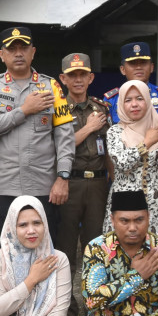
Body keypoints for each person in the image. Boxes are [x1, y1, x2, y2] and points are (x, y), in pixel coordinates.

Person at [0, 26, 73, 259]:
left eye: (23, 48)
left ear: (33, 52)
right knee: (4, 252)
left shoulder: (51, 87)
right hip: (2, 186)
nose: (18, 53)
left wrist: (63, 177)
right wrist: (24, 110)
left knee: (43, 251)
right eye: (12, 48)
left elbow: (65, 134)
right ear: (2, 55)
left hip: (43, 186)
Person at [102, 80, 158, 242]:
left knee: (155, 255)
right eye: (128, 100)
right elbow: (121, 164)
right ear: (121, 103)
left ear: (148, 100)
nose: (134, 104)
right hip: (123, 208)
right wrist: (146, 143)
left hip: (155, 207)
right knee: (119, 256)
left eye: (140, 98)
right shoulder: (115, 132)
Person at [56, 53, 111, 265]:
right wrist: (89, 128)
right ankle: (65, 297)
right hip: (70, 182)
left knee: (95, 244)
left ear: (91, 78)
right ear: (63, 78)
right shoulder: (58, 109)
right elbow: (57, 148)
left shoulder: (101, 108)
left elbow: (107, 150)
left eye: (83, 74)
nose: (78, 80)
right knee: (65, 244)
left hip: (97, 183)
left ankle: (93, 294)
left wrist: (110, 180)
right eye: (73, 75)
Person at [103, 42, 158, 125]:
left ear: (152, 67)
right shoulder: (112, 99)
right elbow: (106, 132)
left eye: (143, 62)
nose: (138, 67)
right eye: (132, 63)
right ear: (122, 69)